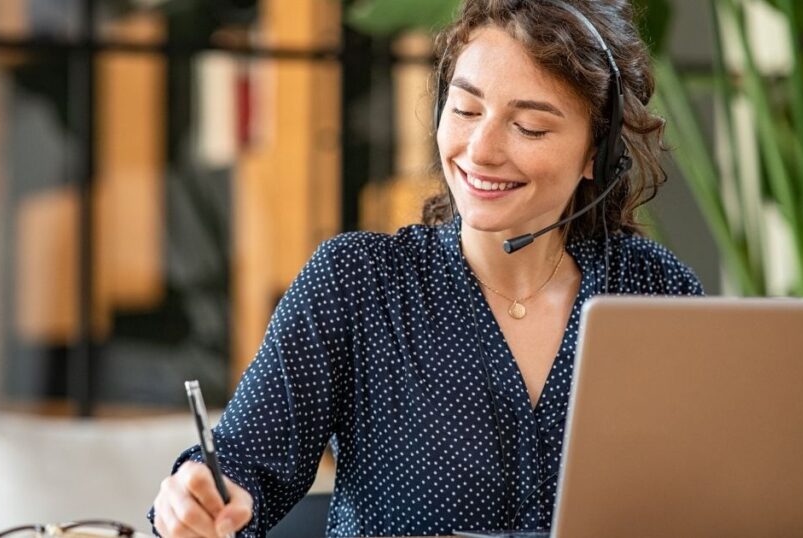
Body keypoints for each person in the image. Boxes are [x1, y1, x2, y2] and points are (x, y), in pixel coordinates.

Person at [150, 0, 703, 536]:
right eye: (464, 110)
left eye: (529, 127)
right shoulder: (358, 283)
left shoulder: (656, 294)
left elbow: (717, 495)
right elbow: (239, 472)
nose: (479, 150)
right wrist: (195, 499)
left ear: (596, 154)